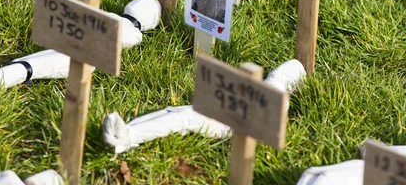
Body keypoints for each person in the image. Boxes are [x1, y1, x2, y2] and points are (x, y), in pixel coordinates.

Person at [0, 0, 160, 98]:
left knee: (28, 68)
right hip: (76, 45)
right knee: (26, 64)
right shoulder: (123, 24)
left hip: (82, 57)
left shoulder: (133, 34)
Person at [103, 59, 306, 153]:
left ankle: (129, 136)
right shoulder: (276, 91)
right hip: (232, 112)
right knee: (180, 114)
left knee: (184, 117)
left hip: (234, 122)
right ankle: (129, 134)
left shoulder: (278, 97)